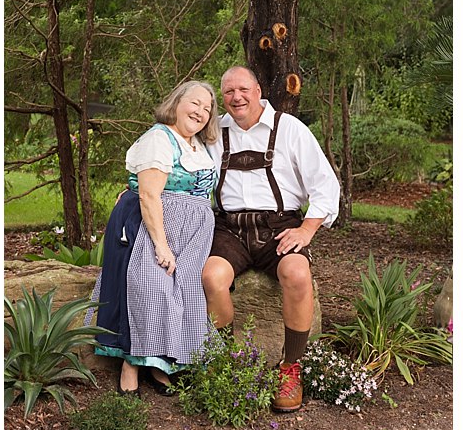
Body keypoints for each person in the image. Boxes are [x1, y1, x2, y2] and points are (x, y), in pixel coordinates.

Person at [202, 65, 340, 412]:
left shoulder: (289, 129)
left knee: (296, 274)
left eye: (244, 89)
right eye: (229, 91)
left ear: (259, 90)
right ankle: (228, 361)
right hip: (229, 229)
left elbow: (325, 185)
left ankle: (291, 367)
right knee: (211, 277)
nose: (237, 97)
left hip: (279, 227)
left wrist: (307, 229)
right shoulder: (213, 132)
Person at [87, 80, 218, 396]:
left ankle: (159, 363)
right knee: (151, 287)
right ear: (177, 102)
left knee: (185, 292)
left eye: (207, 108)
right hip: (150, 228)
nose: (200, 112)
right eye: (195, 103)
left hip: (189, 236)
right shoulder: (160, 139)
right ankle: (131, 365)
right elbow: (148, 195)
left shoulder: (200, 145)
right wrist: (161, 245)